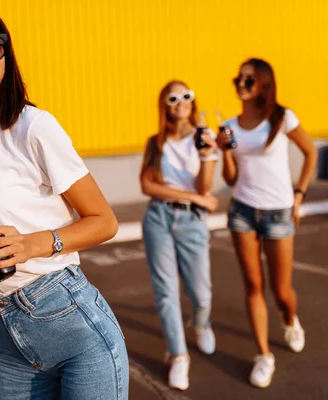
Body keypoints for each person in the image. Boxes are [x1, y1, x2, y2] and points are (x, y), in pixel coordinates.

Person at [0, 1, 129, 399]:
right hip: (7, 343)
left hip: (72, 325)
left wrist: (30, 244)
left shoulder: (32, 127)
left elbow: (104, 220)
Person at [217, 58, 317, 388]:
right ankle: (264, 355)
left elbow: (310, 153)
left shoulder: (281, 118)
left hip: (279, 213)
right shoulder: (230, 124)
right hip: (243, 212)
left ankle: (290, 320)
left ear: (263, 84)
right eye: (238, 79)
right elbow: (231, 179)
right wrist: (225, 151)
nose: (240, 84)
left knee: (281, 289)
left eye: (248, 80)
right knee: (253, 286)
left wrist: (299, 195)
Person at [140, 81, 219, 390]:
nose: (180, 102)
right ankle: (178, 354)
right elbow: (147, 186)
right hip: (158, 217)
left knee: (202, 292)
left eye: (186, 95)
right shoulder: (155, 142)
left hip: (191, 223)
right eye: (173, 98)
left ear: (192, 100)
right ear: (165, 105)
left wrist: (209, 156)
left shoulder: (202, 139)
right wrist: (197, 199)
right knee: (166, 292)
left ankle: (201, 325)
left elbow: (204, 186)